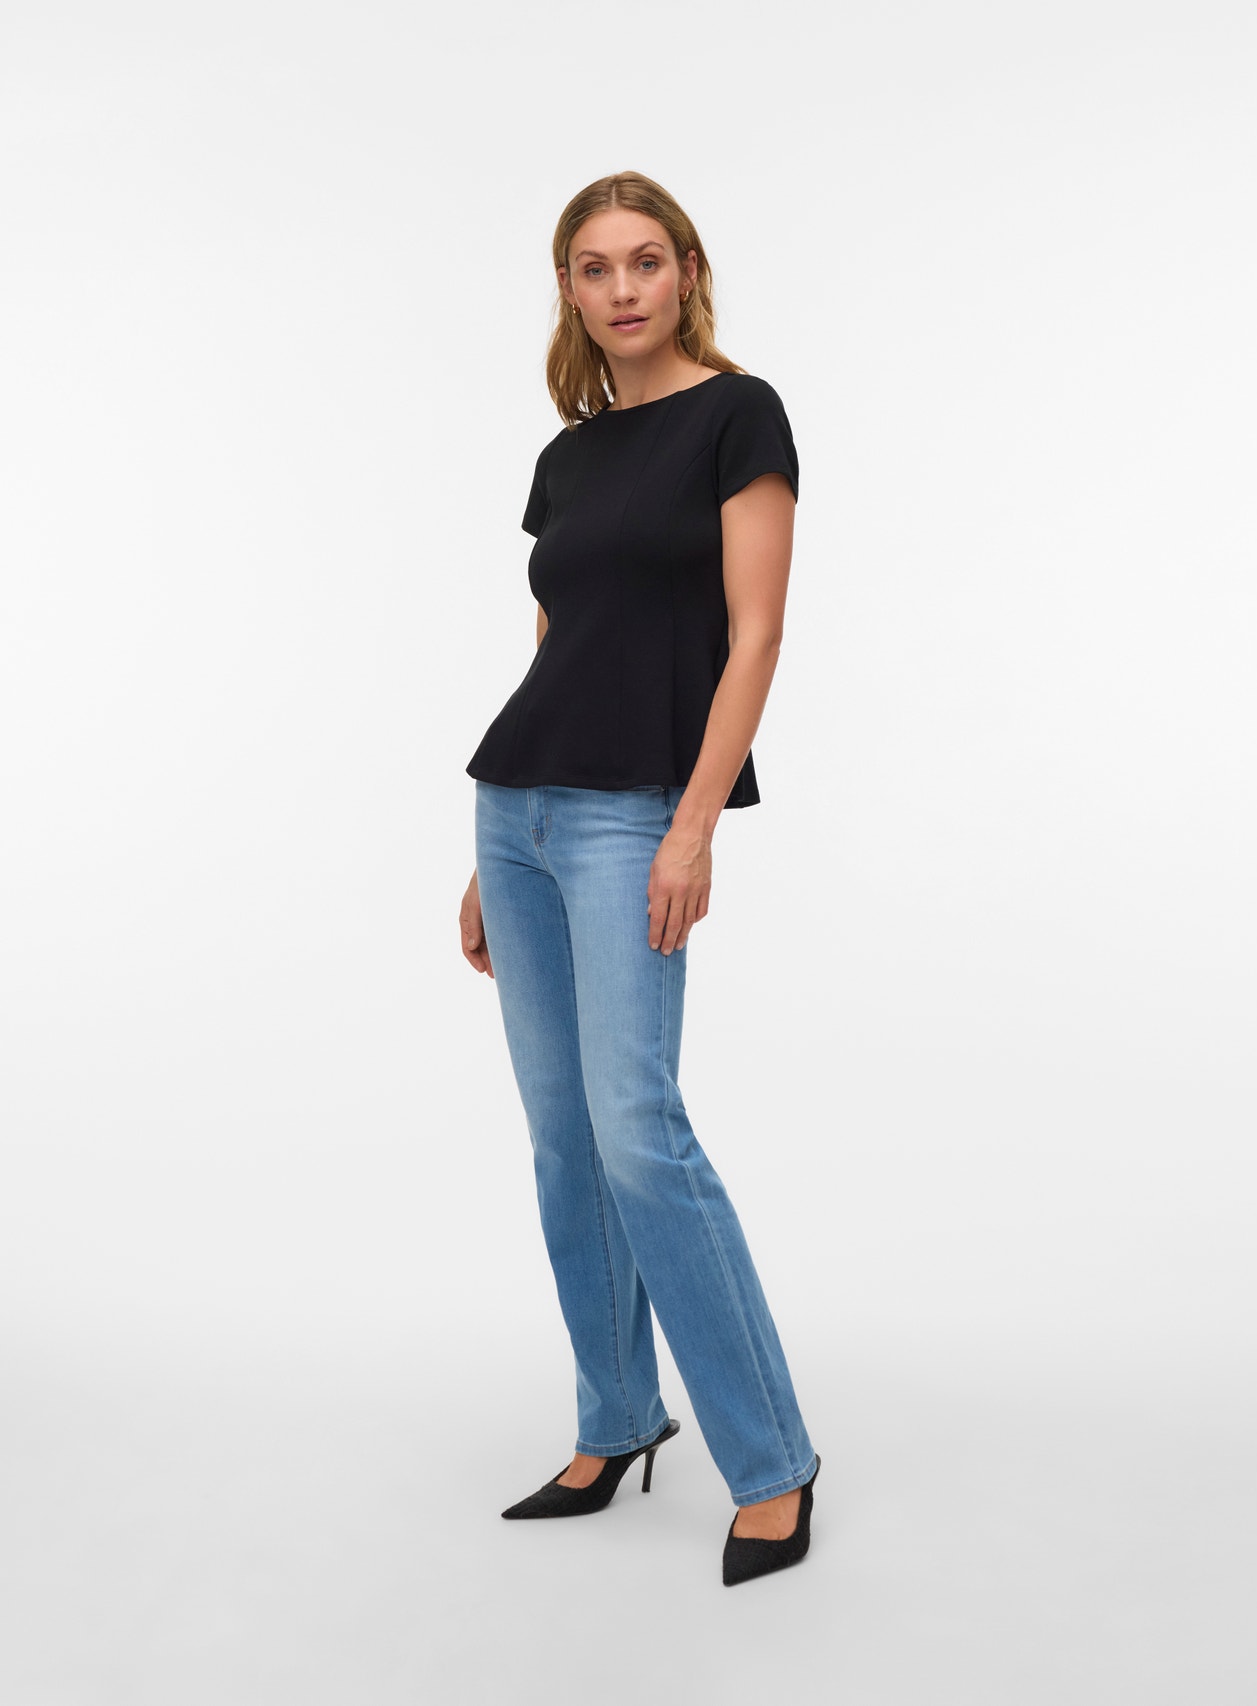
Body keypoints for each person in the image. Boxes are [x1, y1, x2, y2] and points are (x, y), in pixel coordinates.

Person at [458, 170, 819, 1587]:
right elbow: (558, 643)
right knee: (565, 1143)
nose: (622, 288)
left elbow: (755, 633)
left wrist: (694, 824)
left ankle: (773, 1461)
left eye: (645, 261)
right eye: (594, 267)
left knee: (638, 1133)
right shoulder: (569, 457)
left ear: (687, 273)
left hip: (632, 820)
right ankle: (614, 1418)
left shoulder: (741, 416)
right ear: (569, 289)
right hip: (518, 812)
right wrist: (487, 858)